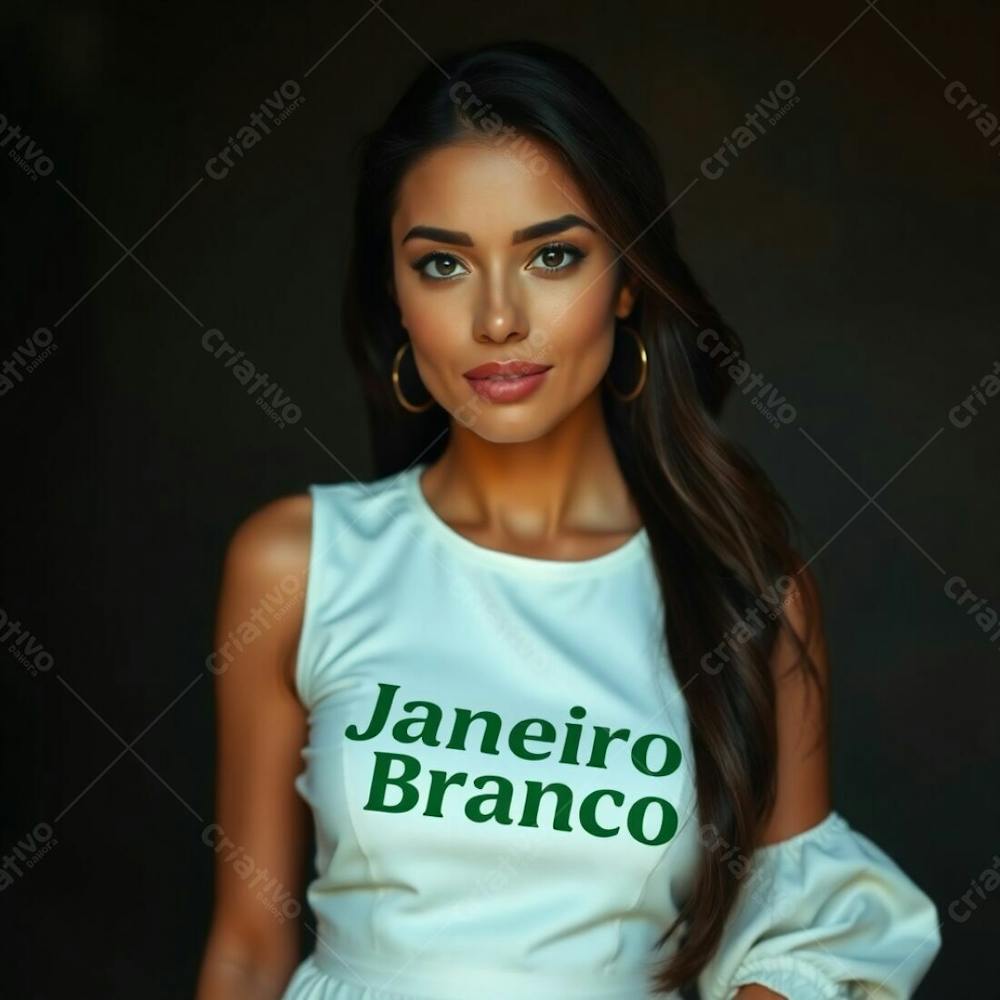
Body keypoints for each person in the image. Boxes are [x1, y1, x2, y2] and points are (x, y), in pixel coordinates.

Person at [195, 39, 942, 1000]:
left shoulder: (748, 593)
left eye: (553, 256)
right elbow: (249, 951)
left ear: (629, 280)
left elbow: (804, 936)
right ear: (395, 290)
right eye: (442, 265)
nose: (499, 319)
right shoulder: (297, 563)